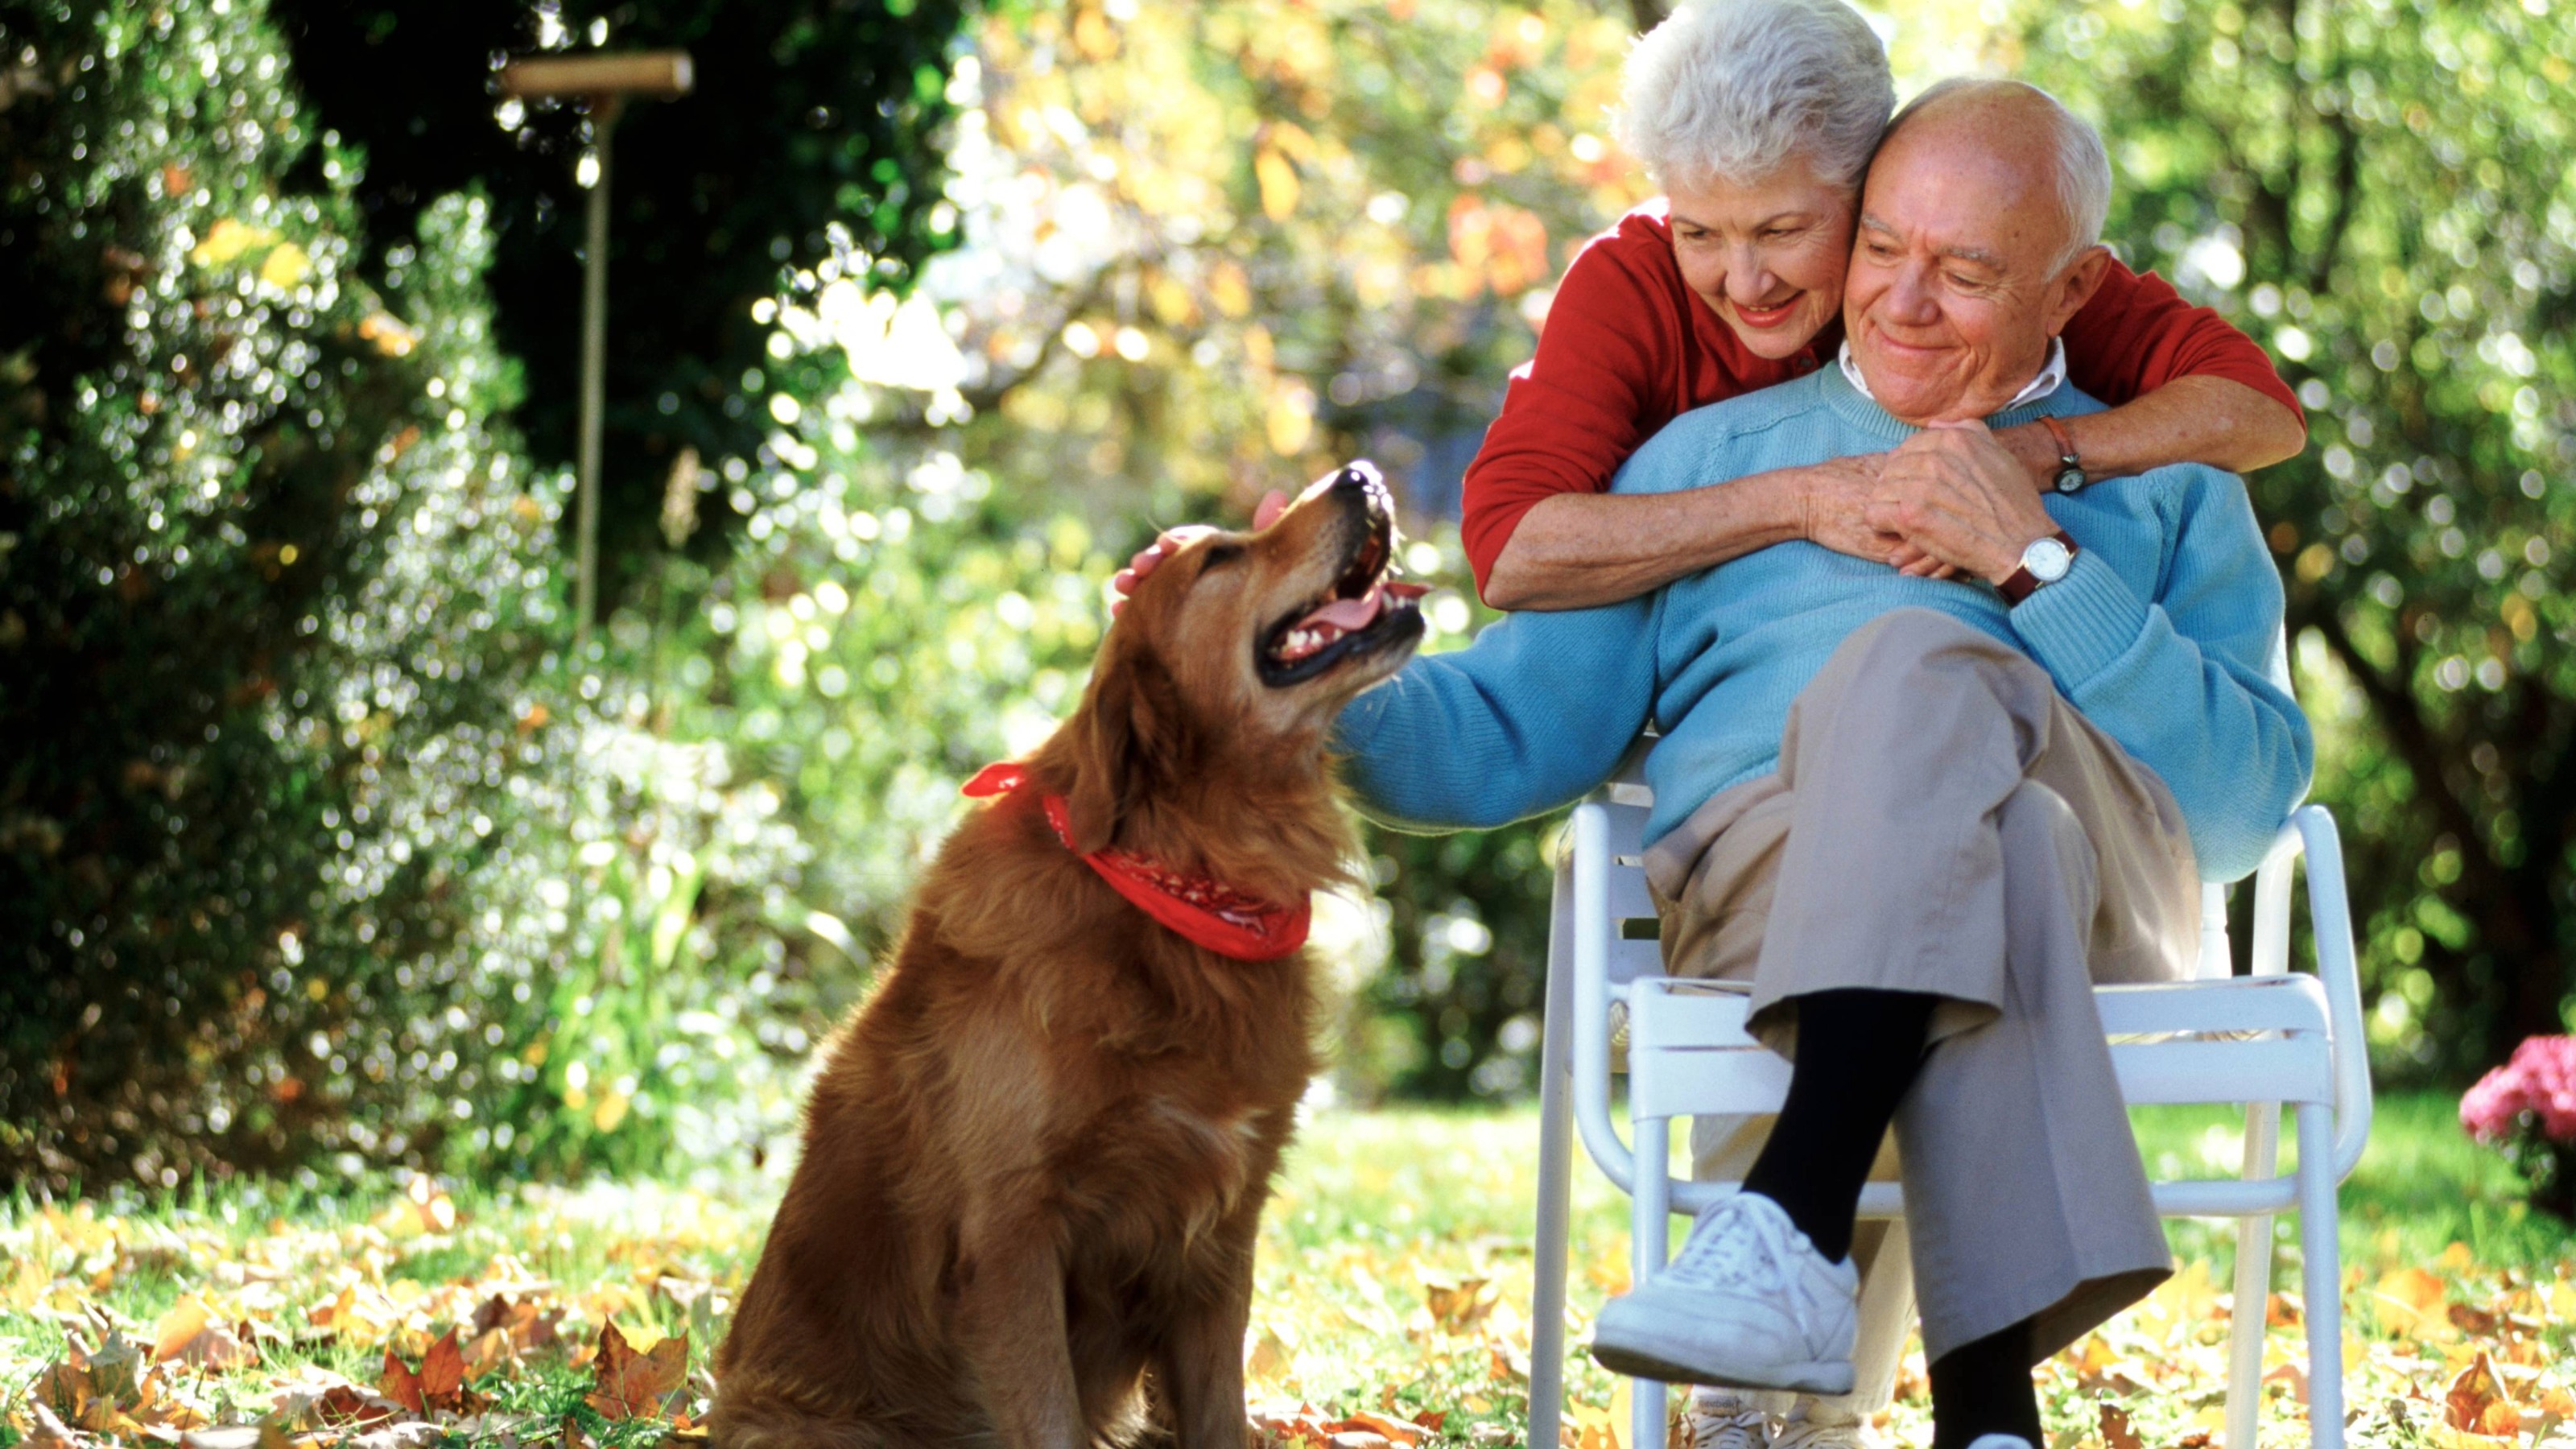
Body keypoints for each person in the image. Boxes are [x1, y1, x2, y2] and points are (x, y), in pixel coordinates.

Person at [1330, 79, 2313, 1449]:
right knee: (1999, 843)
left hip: (2111, 911)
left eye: (1965, 273)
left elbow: (2239, 809)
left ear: (2072, 286)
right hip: (1770, 897)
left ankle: (1787, 1226)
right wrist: (1295, 678)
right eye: (1885, 250)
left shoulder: (2170, 472)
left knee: (1924, 671)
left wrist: (2039, 565)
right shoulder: (1702, 468)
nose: (1905, 303)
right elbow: (1499, 737)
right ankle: (1990, 1415)